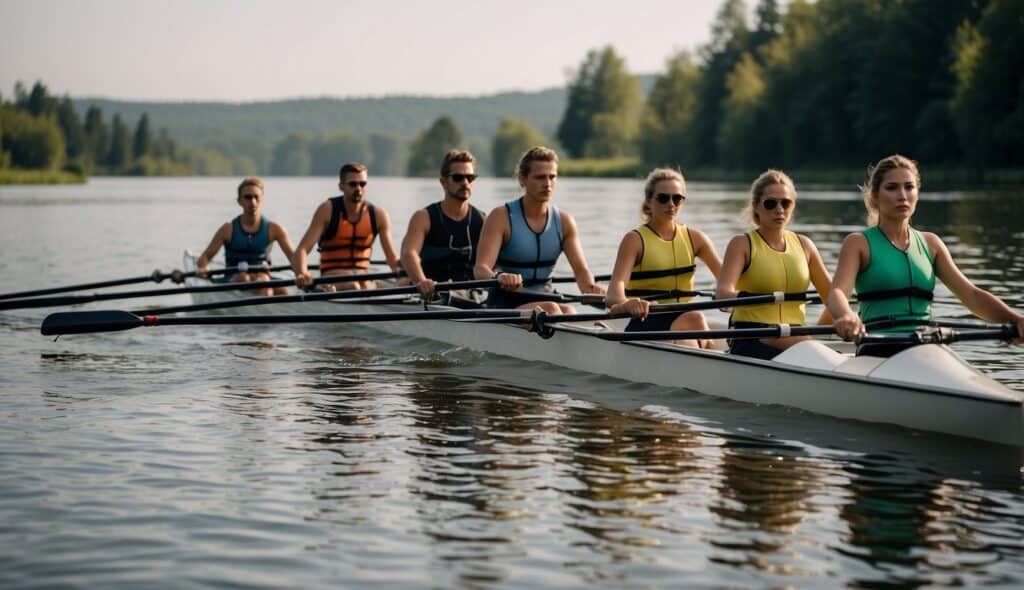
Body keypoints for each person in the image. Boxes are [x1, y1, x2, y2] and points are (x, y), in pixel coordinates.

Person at [828, 154, 1024, 356]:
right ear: (875, 195)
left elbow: (972, 295)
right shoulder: (858, 243)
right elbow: (837, 293)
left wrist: (1015, 319)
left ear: (917, 194)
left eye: (909, 187)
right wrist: (846, 315)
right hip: (878, 347)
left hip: (926, 346)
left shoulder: (931, 244)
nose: (902, 195)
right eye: (892, 187)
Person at [715, 169, 833, 360]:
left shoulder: (805, 245)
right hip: (751, 336)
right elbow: (722, 294)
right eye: (771, 204)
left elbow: (833, 297)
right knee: (816, 352)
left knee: (817, 350)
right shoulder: (742, 244)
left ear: (792, 206)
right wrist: (756, 298)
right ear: (756, 207)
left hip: (796, 336)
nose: (779, 209)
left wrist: (825, 328)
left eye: (785, 203)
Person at [473, 146, 604, 313]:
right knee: (552, 309)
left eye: (552, 177)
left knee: (570, 311)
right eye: (540, 177)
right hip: (506, 300)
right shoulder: (501, 217)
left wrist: (591, 288)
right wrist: (499, 277)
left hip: (546, 297)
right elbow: (480, 269)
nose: (548, 184)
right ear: (522, 179)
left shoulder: (565, 221)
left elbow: (581, 271)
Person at [605, 168, 722, 347]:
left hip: (685, 320)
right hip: (647, 323)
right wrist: (628, 304)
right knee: (695, 318)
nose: (671, 204)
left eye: (677, 198)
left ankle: (714, 356)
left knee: (694, 320)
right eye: (663, 198)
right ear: (649, 201)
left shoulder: (696, 238)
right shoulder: (635, 240)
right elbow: (613, 295)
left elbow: (728, 280)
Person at [292, 162, 401, 291]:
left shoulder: (378, 215)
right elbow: (302, 250)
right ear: (341, 186)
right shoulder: (327, 210)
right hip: (332, 277)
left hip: (363, 277)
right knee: (353, 286)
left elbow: (392, 258)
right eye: (353, 184)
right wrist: (302, 273)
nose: (358, 188)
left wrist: (405, 273)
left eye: (362, 184)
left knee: (376, 284)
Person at [400, 150, 486, 305]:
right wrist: (421, 281)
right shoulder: (423, 217)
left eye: (470, 177)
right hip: (431, 293)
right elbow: (409, 253)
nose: (465, 182)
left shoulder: (482, 219)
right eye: (458, 177)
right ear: (443, 182)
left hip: (471, 295)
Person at [195, 176, 295, 296]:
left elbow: (295, 259)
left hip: (262, 277)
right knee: (245, 279)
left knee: (283, 290)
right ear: (239, 201)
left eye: (256, 197)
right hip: (234, 278)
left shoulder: (275, 229)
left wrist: (303, 274)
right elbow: (205, 257)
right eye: (248, 197)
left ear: (262, 199)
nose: (252, 202)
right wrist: (203, 268)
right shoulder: (227, 229)